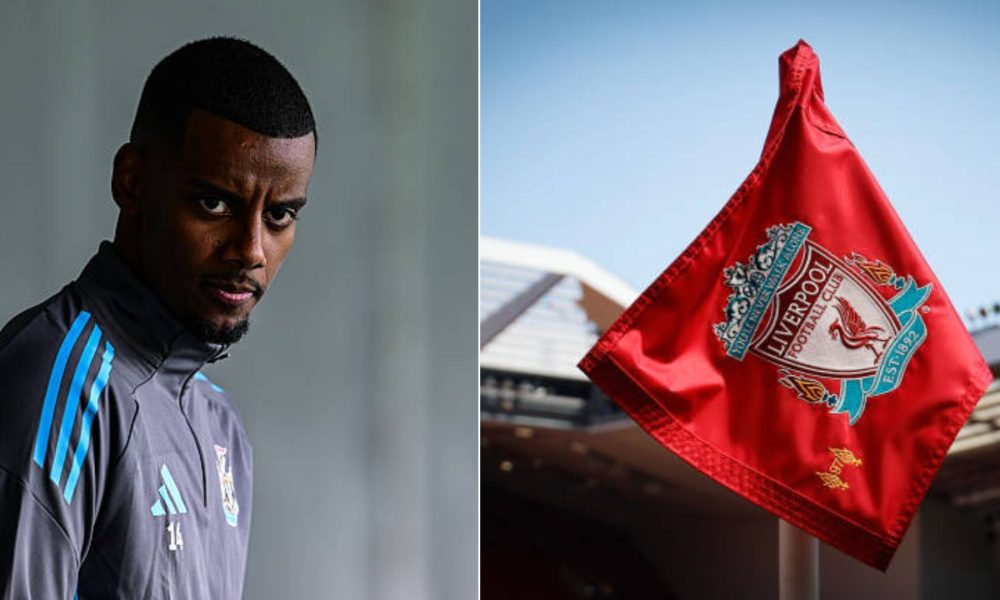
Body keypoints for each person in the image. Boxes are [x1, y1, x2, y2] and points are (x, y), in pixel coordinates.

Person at [0, 37, 316, 598]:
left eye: (280, 214)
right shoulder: (55, 386)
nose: (251, 250)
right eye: (214, 203)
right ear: (133, 183)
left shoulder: (221, 425)